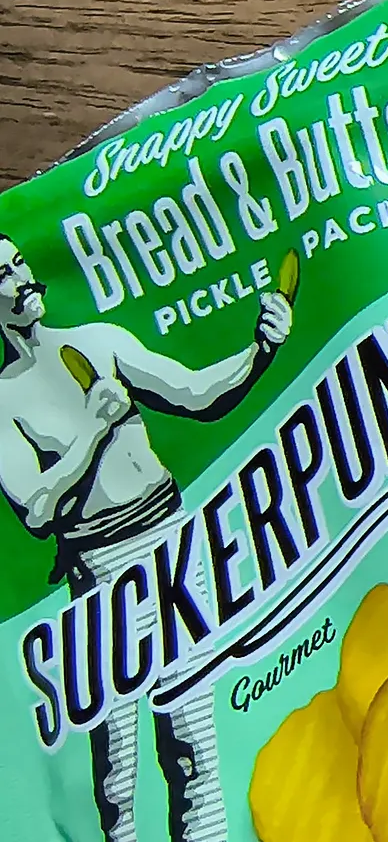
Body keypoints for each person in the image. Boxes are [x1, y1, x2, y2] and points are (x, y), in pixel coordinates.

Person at [0, 232, 292, 842]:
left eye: (20, 262)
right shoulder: (5, 404)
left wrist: (261, 347)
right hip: (102, 565)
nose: (21, 278)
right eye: (3, 273)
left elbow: (197, 394)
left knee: (192, 737)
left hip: (172, 541)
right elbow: (36, 508)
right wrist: (92, 435)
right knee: (117, 763)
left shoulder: (98, 343)